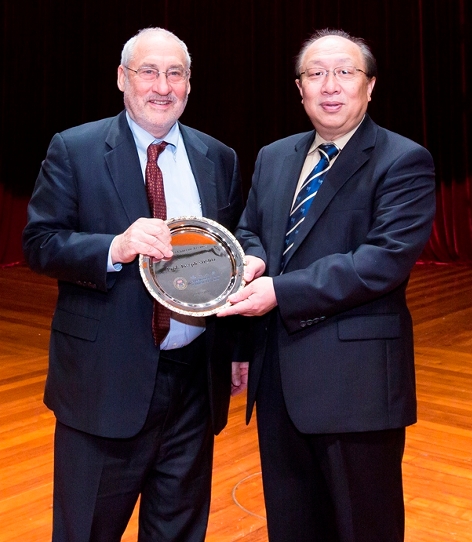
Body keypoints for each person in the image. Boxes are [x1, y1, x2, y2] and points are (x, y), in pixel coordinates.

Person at [23, 27, 243, 542]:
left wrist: (237, 348)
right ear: (122, 78)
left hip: (194, 387)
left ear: (189, 84)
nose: (161, 86)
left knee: (178, 532)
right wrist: (113, 248)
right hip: (105, 385)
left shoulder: (220, 157)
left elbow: (227, 263)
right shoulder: (74, 149)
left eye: (175, 73)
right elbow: (40, 243)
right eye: (148, 71)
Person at [219, 30, 436, 542]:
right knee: (292, 528)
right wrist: (251, 257)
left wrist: (280, 291)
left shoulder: (403, 160)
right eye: (316, 74)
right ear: (300, 89)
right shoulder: (274, 157)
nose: (330, 85)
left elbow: (380, 262)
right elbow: (251, 227)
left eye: (345, 73)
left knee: (364, 528)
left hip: (356, 390)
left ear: (370, 85)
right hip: (278, 385)